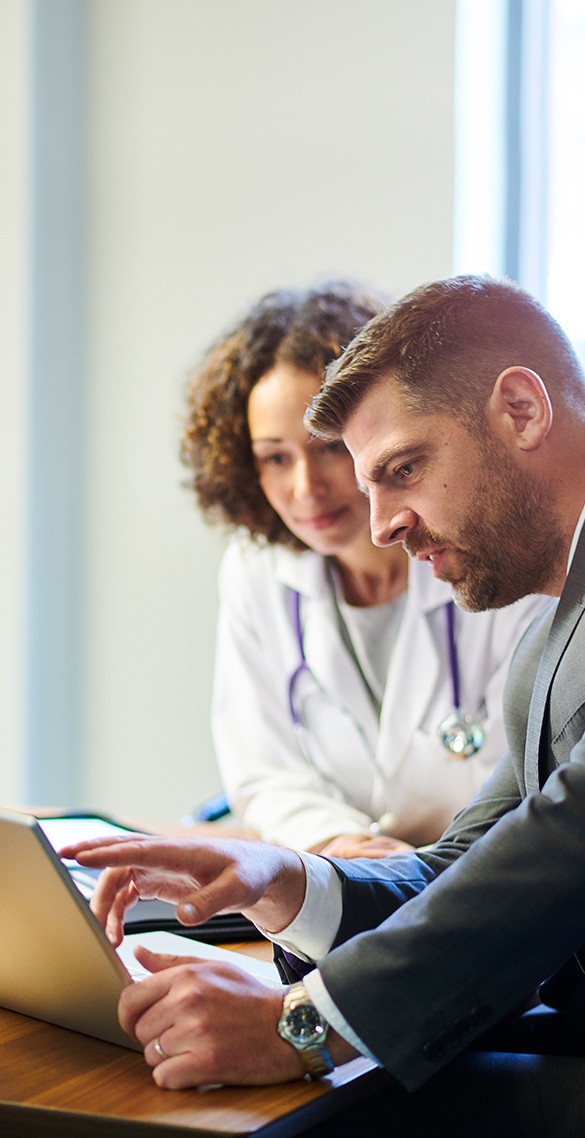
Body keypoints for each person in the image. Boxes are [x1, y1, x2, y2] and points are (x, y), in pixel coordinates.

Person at [63, 275, 585, 1135]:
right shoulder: (549, 628)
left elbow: (566, 851)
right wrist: (289, 879)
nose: (378, 525)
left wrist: (302, 1025)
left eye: (402, 470)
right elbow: (468, 862)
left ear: (521, 412)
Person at [181, 281, 543, 856]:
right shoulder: (258, 572)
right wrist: (338, 843)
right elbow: (264, 773)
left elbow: (523, 785)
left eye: (327, 447)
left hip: (471, 888)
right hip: (332, 880)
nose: (306, 489)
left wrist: (403, 870)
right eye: (275, 457)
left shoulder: (492, 559)